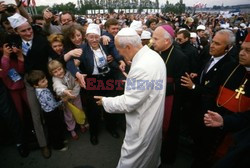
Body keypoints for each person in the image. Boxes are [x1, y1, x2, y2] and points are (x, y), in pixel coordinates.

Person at [94, 27, 166, 168]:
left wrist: (105, 101)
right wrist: (132, 84)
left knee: (131, 161)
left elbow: (128, 103)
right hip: (152, 116)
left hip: (143, 122)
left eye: (119, 50)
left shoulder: (142, 67)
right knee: (149, 155)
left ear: (128, 46)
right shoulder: (154, 56)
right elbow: (153, 85)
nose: (119, 54)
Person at [181, 29, 237, 168]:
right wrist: (197, 75)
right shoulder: (209, 56)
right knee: (197, 135)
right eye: (213, 42)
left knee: (205, 142)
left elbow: (213, 89)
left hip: (209, 111)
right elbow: (205, 77)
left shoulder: (229, 65)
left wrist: (193, 87)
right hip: (197, 106)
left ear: (228, 48)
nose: (212, 45)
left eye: (217, 44)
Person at [7, 13, 57, 158]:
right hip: (29, 83)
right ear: (16, 32)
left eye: (29, 29)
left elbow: (55, 56)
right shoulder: (12, 42)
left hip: (44, 82)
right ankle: (43, 144)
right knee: (36, 114)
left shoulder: (41, 40)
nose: (28, 33)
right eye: (23, 31)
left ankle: (55, 139)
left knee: (50, 111)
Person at [67, 23, 121, 145]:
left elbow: (113, 45)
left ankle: (111, 127)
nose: (94, 40)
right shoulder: (82, 49)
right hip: (93, 80)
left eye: (96, 37)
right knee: (93, 110)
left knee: (110, 105)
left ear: (100, 37)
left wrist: (120, 60)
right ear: (86, 37)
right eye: (91, 37)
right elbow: (69, 63)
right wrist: (77, 74)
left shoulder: (105, 44)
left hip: (108, 78)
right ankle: (94, 133)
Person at [152, 24, 189, 164]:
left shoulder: (180, 57)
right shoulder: (153, 51)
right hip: (153, 99)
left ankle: (167, 158)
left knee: (169, 132)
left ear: (167, 41)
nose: (152, 41)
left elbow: (181, 84)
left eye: (155, 38)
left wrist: (156, 88)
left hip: (171, 101)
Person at [26, 70, 68, 152]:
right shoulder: (43, 92)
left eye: (45, 79)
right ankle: (58, 146)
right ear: (35, 85)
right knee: (55, 129)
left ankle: (60, 141)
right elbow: (53, 105)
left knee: (55, 128)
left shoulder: (39, 90)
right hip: (51, 113)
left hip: (47, 113)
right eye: (43, 81)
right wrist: (62, 101)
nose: (46, 81)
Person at [48, 60, 88, 140]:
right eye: (55, 72)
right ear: (52, 74)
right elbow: (57, 86)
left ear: (63, 67)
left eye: (59, 69)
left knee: (79, 109)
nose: (58, 73)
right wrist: (65, 91)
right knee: (68, 114)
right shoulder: (55, 79)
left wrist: (73, 94)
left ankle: (81, 123)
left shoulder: (70, 72)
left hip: (75, 96)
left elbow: (77, 83)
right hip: (65, 99)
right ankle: (72, 129)